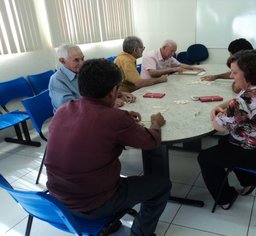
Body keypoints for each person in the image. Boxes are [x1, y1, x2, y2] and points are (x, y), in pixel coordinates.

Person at [45, 58, 171, 236]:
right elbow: (151, 142)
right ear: (113, 91)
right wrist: (155, 123)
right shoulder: (114, 119)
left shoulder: (63, 111)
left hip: (58, 200)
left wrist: (123, 115)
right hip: (93, 204)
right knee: (162, 184)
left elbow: (93, 119)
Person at [198, 50, 256, 210]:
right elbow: (238, 100)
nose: (232, 76)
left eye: (234, 73)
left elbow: (219, 126)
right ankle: (250, 180)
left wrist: (216, 113)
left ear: (248, 73)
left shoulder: (246, 100)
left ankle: (225, 199)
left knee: (206, 157)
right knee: (226, 141)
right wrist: (225, 107)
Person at [49, 43, 136, 112]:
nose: (82, 63)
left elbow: (99, 90)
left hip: (91, 113)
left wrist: (119, 94)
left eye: (82, 58)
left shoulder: (82, 71)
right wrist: (105, 104)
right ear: (62, 61)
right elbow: (71, 109)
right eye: (76, 60)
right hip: (73, 122)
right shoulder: (57, 80)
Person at [140, 39, 205, 79]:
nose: (173, 54)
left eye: (174, 51)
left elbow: (179, 65)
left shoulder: (168, 57)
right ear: (164, 48)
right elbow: (153, 73)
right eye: (172, 51)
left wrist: (193, 68)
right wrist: (172, 69)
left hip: (160, 82)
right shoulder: (151, 56)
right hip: (148, 86)